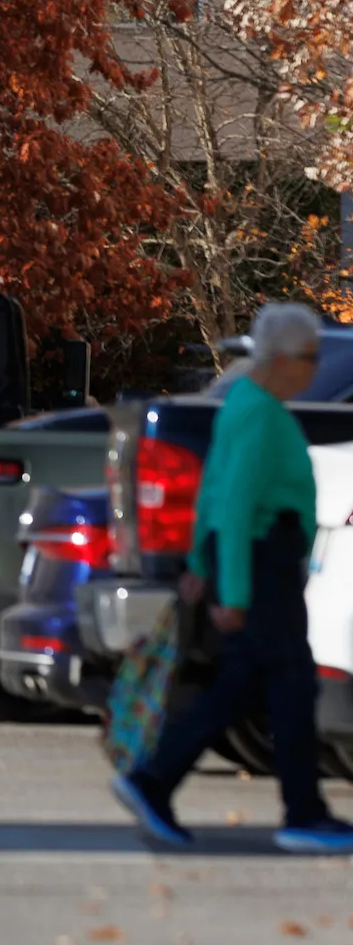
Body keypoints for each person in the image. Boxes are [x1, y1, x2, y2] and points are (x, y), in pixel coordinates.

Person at [112, 302, 353, 854]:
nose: (315, 369)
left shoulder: (249, 403)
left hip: (255, 560)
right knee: (288, 684)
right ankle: (300, 813)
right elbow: (236, 503)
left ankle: (157, 782)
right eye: (311, 357)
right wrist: (233, 591)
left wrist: (202, 565)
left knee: (252, 683)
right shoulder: (259, 412)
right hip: (261, 563)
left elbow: (215, 491)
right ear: (283, 359)